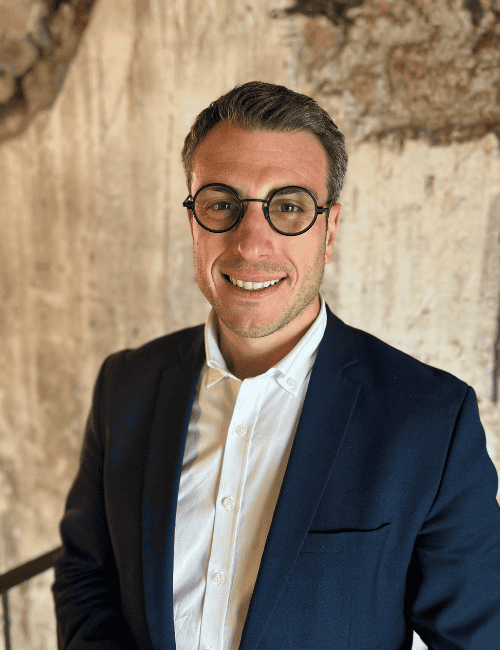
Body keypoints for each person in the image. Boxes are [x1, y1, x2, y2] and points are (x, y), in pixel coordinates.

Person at [52, 81, 500, 650]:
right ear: (193, 223)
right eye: (222, 203)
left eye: (288, 207)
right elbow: (86, 576)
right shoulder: (126, 386)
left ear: (329, 231)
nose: (250, 244)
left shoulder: (431, 420)